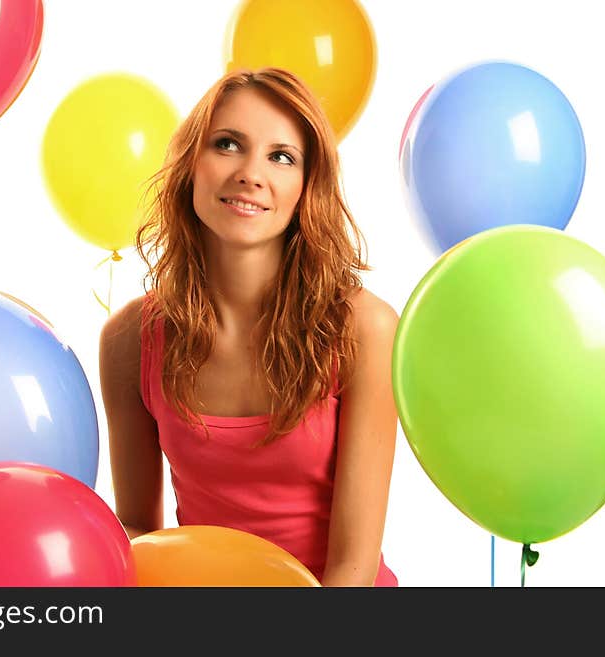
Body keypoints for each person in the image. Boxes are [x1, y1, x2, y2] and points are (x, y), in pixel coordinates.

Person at [99, 67, 399, 586]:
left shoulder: (364, 329)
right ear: (192, 164)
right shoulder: (130, 339)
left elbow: (353, 565)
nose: (251, 174)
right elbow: (138, 534)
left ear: (307, 186)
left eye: (281, 157)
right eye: (228, 144)